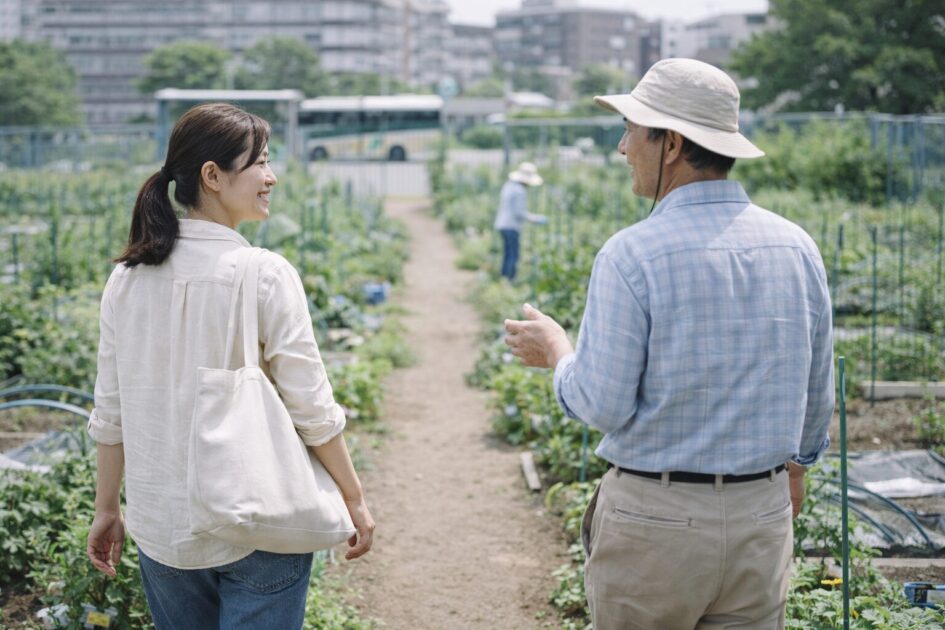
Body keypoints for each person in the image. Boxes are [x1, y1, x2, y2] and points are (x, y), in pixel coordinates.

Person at [504, 58, 834, 629]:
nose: (622, 147)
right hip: (762, 516)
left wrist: (557, 350)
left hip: (657, 521)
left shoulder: (633, 254)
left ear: (672, 143)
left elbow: (603, 404)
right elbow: (817, 394)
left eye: (632, 129)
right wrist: (794, 476)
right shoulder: (796, 246)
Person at [86, 103, 375, 629]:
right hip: (257, 520)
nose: (272, 176)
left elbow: (111, 411)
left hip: (162, 528)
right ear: (212, 176)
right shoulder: (261, 274)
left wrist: (107, 508)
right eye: (259, 162)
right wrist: (352, 496)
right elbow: (311, 407)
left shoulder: (126, 280)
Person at [494, 161, 546, 280]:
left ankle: (503, 278)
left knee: (507, 253)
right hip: (511, 226)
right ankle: (510, 279)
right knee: (513, 255)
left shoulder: (508, 185)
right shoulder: (519, 191)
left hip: (502, 224)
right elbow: (519, 213)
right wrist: (536, 219)